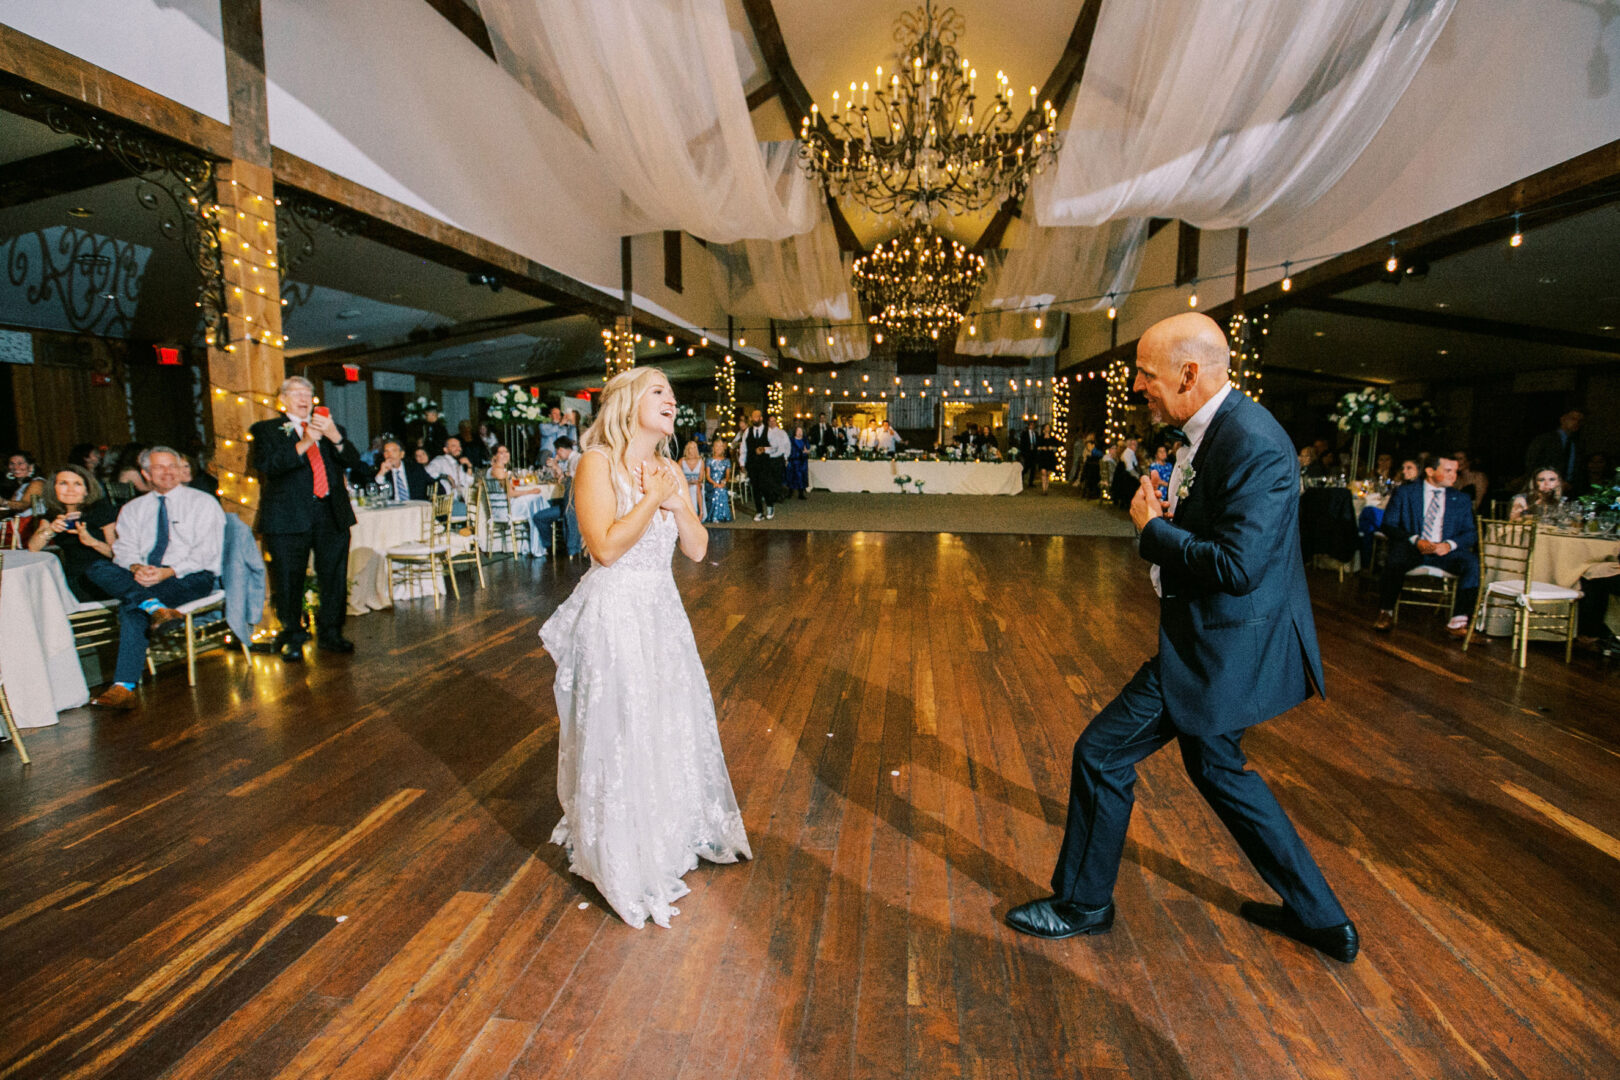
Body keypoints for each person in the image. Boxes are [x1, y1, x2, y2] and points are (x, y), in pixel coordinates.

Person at [1006, 313, 1357, 964]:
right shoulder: (1212, 430)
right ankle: (1324, 920)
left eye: (1145, 373)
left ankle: (1082, 904)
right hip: (1212, 642)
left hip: (1217, 652)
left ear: (1189, 374)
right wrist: (1172, 515)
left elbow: (1238, 566)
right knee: (1219, 771)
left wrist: (1153, 530)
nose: (1138, 386)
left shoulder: (1251, 441)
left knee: (1102, 753)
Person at [538, 367, 750, 929]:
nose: (672, 400)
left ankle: (668, 828)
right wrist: (649, 498)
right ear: (630, 401)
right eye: (660, 391)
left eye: (673, 394)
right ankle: (623, 849)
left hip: (661, 611)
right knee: (623, 724)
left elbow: (699, 549)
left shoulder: (669, 468)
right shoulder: (597, 463)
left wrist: (677, 501)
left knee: (666, 720)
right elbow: (604, 547)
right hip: (615, 612)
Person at [83, 447, 225, 710]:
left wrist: (167, 572)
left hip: (190, 577)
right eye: (159, 467)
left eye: (173, 465)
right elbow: (123, 550)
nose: (168, 472)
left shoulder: (203, 503)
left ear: (182, 469)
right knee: (96, 568)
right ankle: (155, 607)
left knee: (131, 607)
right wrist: (137, 567)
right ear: (146, 473)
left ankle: (123, 686)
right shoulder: (133, 509)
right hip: (144, 576)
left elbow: (208, 554)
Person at [250, 375, 363, 662]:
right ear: (283, 400)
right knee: (288, 580)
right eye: (296, 393)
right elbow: (267, 466)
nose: (303, 399)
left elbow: (355, 463)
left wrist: (335, 437)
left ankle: (331, 633)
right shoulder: (266, 430)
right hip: (287, 518)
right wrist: (304, 442)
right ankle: (293, 636)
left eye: (307, 394)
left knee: (334, 578)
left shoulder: (329, 429)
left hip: (331, 514)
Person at [1373, 452, 1479, 639]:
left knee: (1472, 563)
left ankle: (1458, 621)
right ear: (1430, 471)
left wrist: (1449, 544)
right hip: (1413, 547)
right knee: (1395, 557)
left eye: (1455, 471)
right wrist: (1416, 540)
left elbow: (1471, 533)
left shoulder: (1460, 498)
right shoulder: (1406, 492)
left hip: (1444, 552)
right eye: (1447, 470)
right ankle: (1386, 612)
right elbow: (1388, 524)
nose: (1453, 475)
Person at [27, 464, 118, 601]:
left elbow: (118, 555)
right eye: (63, 483)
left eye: (77, 484)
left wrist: (93, 542)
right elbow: (33, 547)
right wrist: (51, 529)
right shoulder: (54, 514)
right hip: (72, 576)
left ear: (86, 490)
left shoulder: (102, 510)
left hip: (104, 574)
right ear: (54, 489)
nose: (70, 489)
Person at [740, 410, 782, 521]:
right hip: (752, 463)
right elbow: (743, 449)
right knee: (755, 488)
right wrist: (742, 463)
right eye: (752, 417)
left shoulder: (769, 431)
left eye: (756, 417)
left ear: (761, 418)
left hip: (764, 464)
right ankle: (759, 511)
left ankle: (770, 506)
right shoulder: (747, 432)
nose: (754, 419)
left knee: (765, 486)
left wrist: (764, 449)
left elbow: (775, 447)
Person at [1524, 409, 1583, 484]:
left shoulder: (1577, 444)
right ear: (1563, 419)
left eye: (1580, 421)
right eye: (1573, 419)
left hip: (1568, 487)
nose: (1576, 423)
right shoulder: (1545, 440)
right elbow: (1532, 463)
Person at [705, 439, 733, 523]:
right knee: (717, 490)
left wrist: (724, 481)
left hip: (722, 483)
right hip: (711, 483)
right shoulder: (709, 460)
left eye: (721, 446)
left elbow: (727, 476)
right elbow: (707, 476)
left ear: (723, 448)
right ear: (713, 448)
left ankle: (722, 516)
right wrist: (715, 483)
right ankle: (714, 516)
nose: (719, 448)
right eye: (717, 446)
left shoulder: (727, 461)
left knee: (721, 489)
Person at [679, 440, 707, 520]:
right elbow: (677, 475)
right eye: (691, 448)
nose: (693, 449)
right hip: (684, 483)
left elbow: (701, 478)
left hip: (697, 483)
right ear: (687, 449)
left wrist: (696, 482)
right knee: (690, 487)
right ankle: (687, 513)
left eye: (695, 447)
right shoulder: (682, 461)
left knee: (696, 487)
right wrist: (686, 482)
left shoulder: (700, 461)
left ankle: (700, 512)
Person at [1036, 422, 1062, 493]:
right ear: (1043, 429)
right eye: (1046, 428)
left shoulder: (1052, 438)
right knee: (1043, 472)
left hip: (1050, 457)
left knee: (1048, 473)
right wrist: (1041, 448)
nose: (1047, 429)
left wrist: (1053, 448)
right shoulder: (1040, 438)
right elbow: (1037, 447)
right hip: (1043, 456)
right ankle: (1044, 488)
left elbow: (1058, 446)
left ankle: (1046, 487)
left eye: (1048, 428)